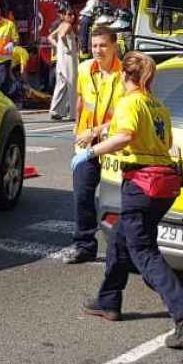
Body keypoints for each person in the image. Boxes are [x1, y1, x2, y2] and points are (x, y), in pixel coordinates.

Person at [75, 52, 183, 349]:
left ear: (125, 76)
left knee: (143, 249)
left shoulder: (129, 102)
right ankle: (108, 300)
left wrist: (90, 153)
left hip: (141, 184)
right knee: (121, 238)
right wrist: (97, 132)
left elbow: (124, 137)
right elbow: (166, 143)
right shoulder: (158, 106)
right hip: (163, 185)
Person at [65, 24, 122, 264]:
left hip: (115, 145)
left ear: (114, 47)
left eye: (103, 46)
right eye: (94, 46)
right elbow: (80, 100)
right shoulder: (85, 68)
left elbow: (125, 116)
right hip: (87, 144)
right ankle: (84, 245)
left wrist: (95, 131)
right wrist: (77, 129)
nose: (98, 51)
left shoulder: (126, 74)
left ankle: (122, 250)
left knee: (119, 200)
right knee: (82, 195)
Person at [47, 9, 78, 121]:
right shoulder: (68, 25)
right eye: (69, 14)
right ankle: (73, 113)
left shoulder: (61, 25)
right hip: (68, 58)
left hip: (61, 58)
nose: (72, 16)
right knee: (71, 83)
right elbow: (64, 36)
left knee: (61, 84)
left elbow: (50, 37)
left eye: (73, 14)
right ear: (64, 16)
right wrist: (67, 47)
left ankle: (56, 110)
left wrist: (58, 47)